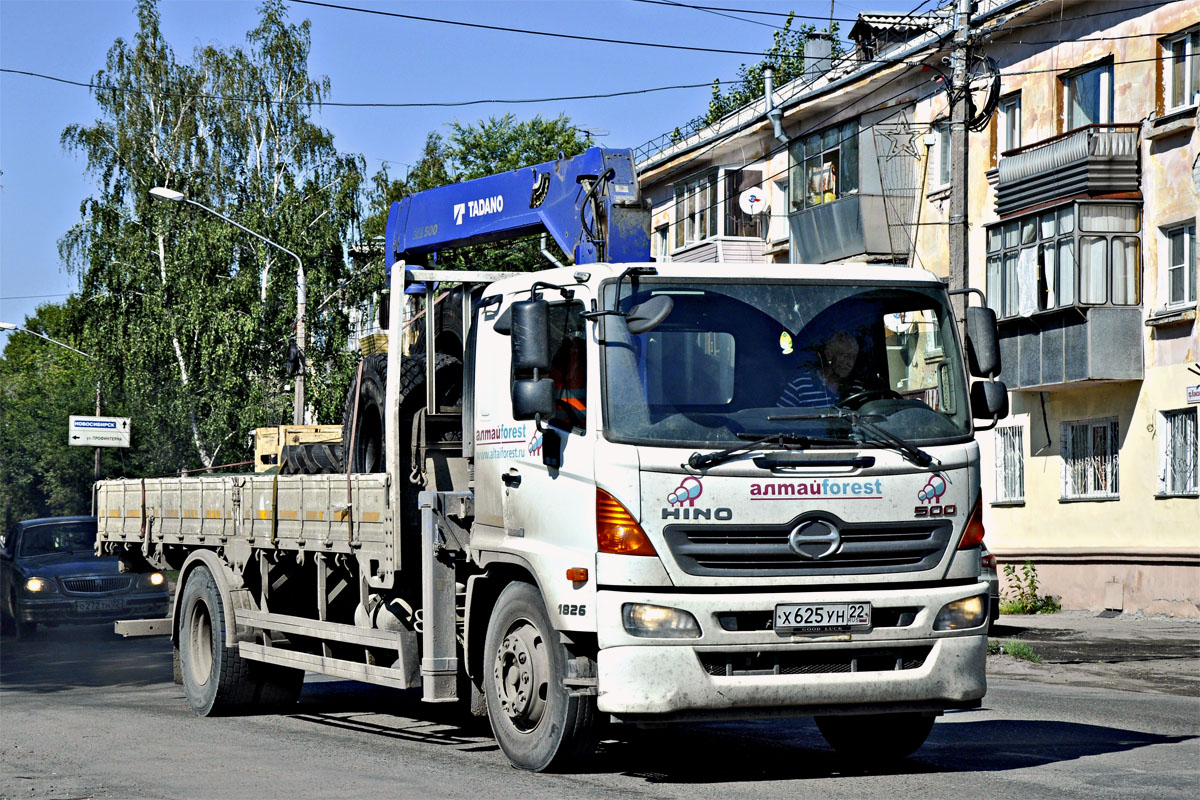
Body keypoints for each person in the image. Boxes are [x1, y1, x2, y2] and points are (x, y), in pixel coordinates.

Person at [777, 330, 864, 408]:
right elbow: (779, 422)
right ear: (829, 355)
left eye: (853, 357)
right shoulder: (800, 385)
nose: (850, 363)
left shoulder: (857, 388)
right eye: (845, 356)